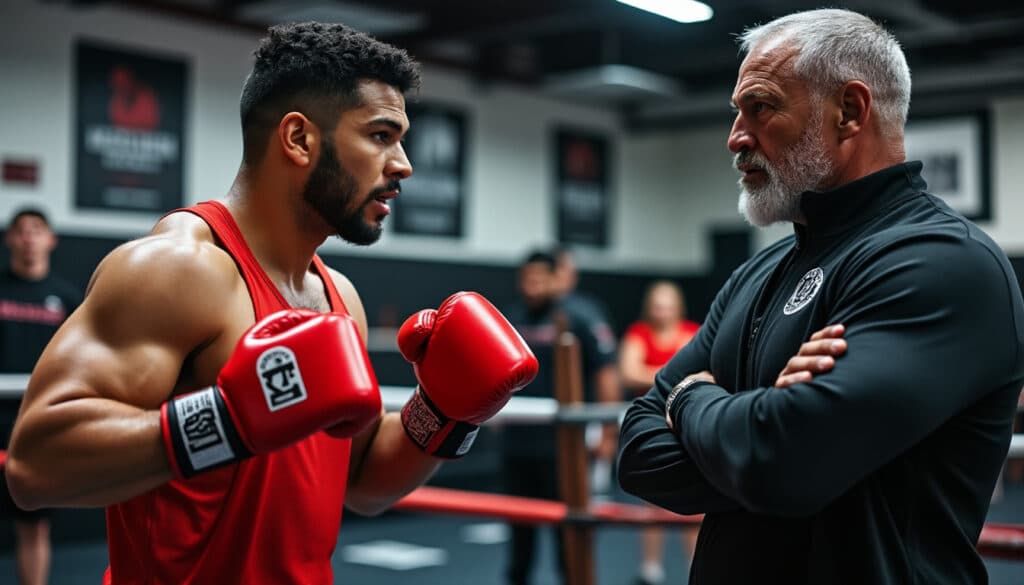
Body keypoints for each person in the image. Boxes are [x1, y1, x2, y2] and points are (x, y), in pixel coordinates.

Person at [4, 22, 538, 584]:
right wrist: (229, 418)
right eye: (381, 135)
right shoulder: (179, 269)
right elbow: (34, 468)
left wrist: (442, 415)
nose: (403, 163)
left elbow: (361, 484)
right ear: (299, 139)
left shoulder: (339, 297)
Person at [617, 8, 1024, 585]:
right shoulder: (758, 273)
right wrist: (760, 427)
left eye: (760, 107)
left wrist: (689, 400)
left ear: (849, 111)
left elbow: (783, 465)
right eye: (737, 112)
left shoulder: (944, 263)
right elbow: (637, 450)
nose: (736, 137)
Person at [502, 250, 618, 585]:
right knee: (519, 537)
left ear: (556, 279)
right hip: (518, 444)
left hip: (564, 447)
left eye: (540, 278)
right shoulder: (512, 317)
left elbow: (606, 373)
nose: (533, 285)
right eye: (527, 278)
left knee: (569, 535)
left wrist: (607, 434)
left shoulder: (580, 316)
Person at [0, 208, 81, 585]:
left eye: (37, 230)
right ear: (10, 239)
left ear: (50, 240)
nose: (29, 238)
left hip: (36, 424)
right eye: (22, 231)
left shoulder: (66, 299)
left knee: (33, 525)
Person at [617, 280, 699, 585]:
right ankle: (650, 568)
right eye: (657, 305)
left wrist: (653, 373)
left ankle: (695, 567)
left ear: (677, 308)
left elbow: (699, 371)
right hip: (651, 422)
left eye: (667, 306)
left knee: (694, 496)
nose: (661, 312)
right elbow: (628, 372)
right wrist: (674, 374)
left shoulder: (692, 331)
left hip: (685, 423)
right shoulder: (639, 332)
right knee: (652, 498)